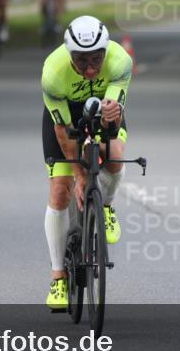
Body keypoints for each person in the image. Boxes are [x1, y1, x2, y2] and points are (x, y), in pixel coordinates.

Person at [41, 16, 133, 311]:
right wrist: (80, 176)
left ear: (106, 51)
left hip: (103, 107)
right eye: (82, 62)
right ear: (70, 56)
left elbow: (113, 117)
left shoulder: (120, 62)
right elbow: (64, 136)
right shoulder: (53, 73)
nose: (91, 68)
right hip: (66, 115)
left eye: (97, 59)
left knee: (114, 154)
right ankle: (58, 276)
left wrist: (109, 119)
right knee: (60, 191)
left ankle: (106, 206)